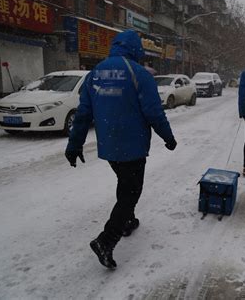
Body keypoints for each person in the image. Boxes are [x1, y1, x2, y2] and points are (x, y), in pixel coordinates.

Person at [65, 30, 177, 269]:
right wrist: (168, 138)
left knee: (125, 183)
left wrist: (74, 145)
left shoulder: (95, 73)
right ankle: (106, 240)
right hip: (133, 144)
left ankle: (128, 220)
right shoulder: (139, 74)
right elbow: (154, 112)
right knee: (132, 191)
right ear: (136, 49)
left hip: (109, 145)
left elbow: (83, 114)